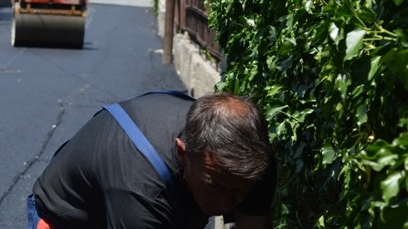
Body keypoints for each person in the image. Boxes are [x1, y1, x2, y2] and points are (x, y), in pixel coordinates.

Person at [30, 91, 277, 229]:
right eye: (215, 186)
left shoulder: (250, 163)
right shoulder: (140, 187)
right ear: (183, 153)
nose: (225, 204)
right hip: (70, 218)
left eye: (239, 192)